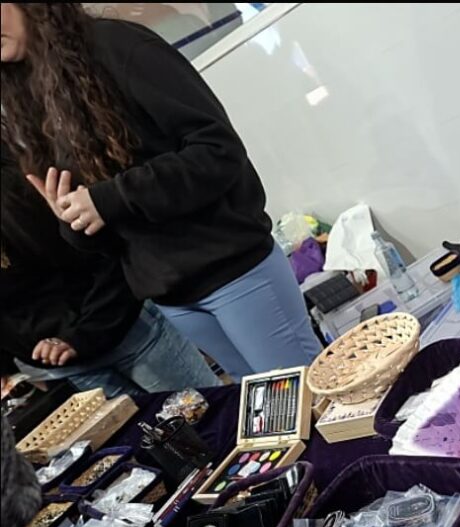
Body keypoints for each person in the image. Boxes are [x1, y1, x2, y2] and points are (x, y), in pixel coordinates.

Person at [0, 3, 322, 381]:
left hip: (234, 272)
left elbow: (218, 152)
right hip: (172, 296)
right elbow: (105, 231)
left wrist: (107, 200)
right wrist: (73, 219)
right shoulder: (32, 96)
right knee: (261, 403)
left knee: (312, 395)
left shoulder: (117, 45)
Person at [1, 145, 222, 398]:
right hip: (63, 368)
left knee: (213, 409)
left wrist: (81, 335)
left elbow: (108, 257)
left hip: (124, 328)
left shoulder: (20, 189)